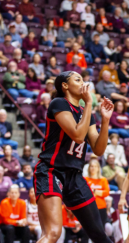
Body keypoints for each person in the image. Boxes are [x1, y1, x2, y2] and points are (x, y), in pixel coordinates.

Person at [33, 71, 114, 243]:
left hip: (75, 176)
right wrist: (90, 102)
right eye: (78, 79)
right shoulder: (58, 103)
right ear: (65, 85)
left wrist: (105, 121)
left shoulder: (87, 113)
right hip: (51, 171)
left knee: (99, 234)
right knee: (53, 233)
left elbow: (99, 150)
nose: (83, 82)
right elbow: (78, 135)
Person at [85, 160, 110, 226]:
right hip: (89, 207)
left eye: (95, 166)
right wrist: (100, 192)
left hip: (101, 207)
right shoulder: (85, 179)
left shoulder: (103, 180)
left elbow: (106, 193)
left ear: (98, 168)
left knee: (101, 228)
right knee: (89, 227)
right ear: (89, 168)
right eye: (91, 166)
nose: (93, 168)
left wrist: (94, 191)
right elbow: (85, 193)